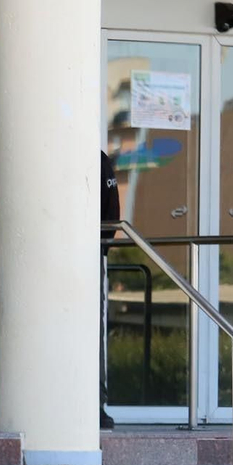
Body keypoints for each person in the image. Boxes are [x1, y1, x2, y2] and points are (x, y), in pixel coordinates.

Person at [101, 149, 121, 430]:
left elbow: (111, 212)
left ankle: (94, 404)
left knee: (93, 332)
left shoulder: (98, 159)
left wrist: (102, 245)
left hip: (90, 257)